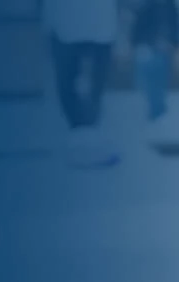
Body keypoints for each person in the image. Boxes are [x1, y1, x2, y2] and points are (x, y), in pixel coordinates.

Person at [44, 0, 121, 168]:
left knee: (82, 83)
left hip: (85, 26)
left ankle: (85, 135)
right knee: (79, 82)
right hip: (80, 25)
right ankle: (83, 135)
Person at [130, 0, 179, 121]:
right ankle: (155, 107)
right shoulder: (147, 6)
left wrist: (175, 43)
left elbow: (176, 25)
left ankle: (158, 107)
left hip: (165, 49)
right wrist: (144, 43)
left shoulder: (171, 6)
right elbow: (139, 27)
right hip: (150, 49)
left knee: (161, 79)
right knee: (151, 80)